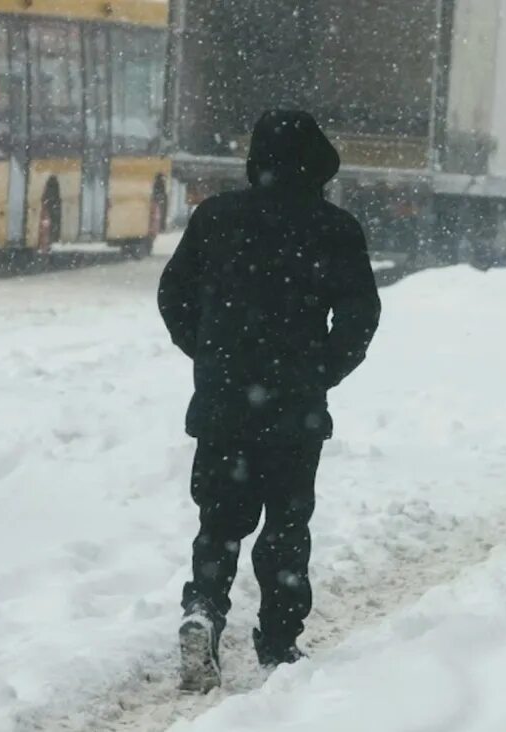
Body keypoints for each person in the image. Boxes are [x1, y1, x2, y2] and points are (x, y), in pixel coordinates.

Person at [158, 110, 382, 693]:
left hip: (224, 403)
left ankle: (203, 609)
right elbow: (360, 315)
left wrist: (208, 356)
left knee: (219, 521)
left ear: (256, 159)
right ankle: (279, 644)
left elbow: (173, 293)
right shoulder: (334, 228)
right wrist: (320, 373)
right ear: (318, 162)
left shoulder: (216, 218)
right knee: (286, 525)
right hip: (293, 409)